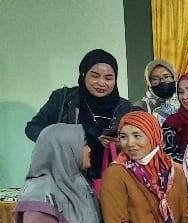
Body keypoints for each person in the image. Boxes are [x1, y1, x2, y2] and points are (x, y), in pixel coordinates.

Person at [25, 49, 136, 180]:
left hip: (112, 181)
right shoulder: (63, 99)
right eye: (94, 76)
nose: (101, 83)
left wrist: (123, 142)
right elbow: (32, 128)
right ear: (83, 75)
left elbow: (143, 143)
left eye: (108, 78)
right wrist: (68, 143)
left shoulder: (126, 108)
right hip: (67, 180)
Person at [135, 59, 179, 124]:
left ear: (174, 78)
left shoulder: (184, 102)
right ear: (149, 82)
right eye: (155, 79)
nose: (162, 81)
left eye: (166, 77)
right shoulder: (140, 107)